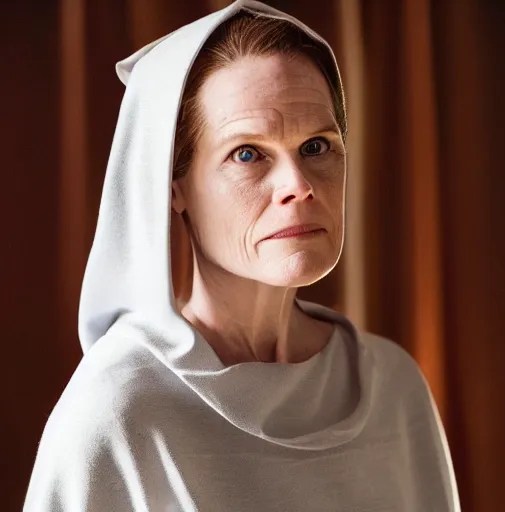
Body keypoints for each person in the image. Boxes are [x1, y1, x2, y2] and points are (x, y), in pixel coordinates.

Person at [23, 1, 461, 510]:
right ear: (173, 186)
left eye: (316, 146)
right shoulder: (119, 411)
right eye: (247, 153)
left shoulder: (395, 388)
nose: (297, 186)